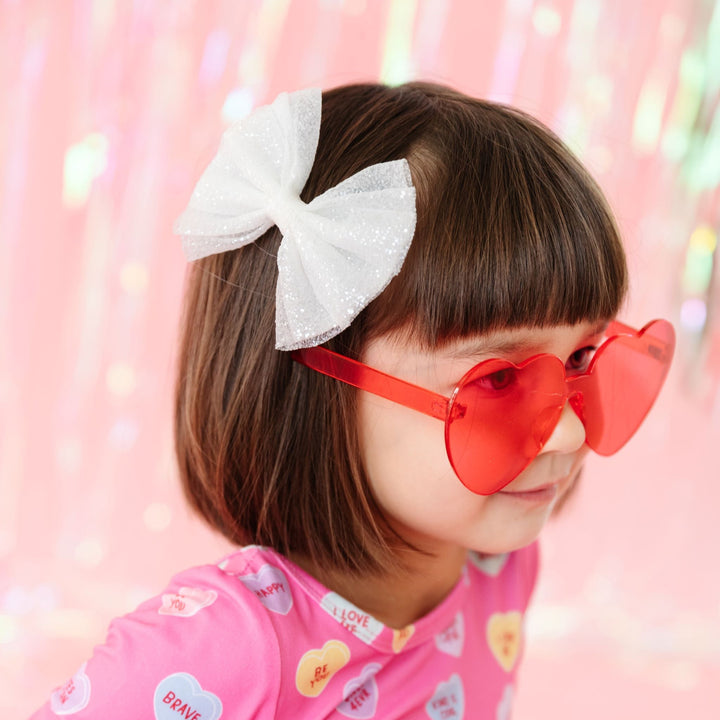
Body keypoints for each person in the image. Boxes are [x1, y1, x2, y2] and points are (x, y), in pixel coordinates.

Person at [32, 82, 674, 719]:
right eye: (498, 380)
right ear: (318, 383)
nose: (566, 433)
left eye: (583, 360)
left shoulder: (497, 571)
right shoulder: (221, 652)